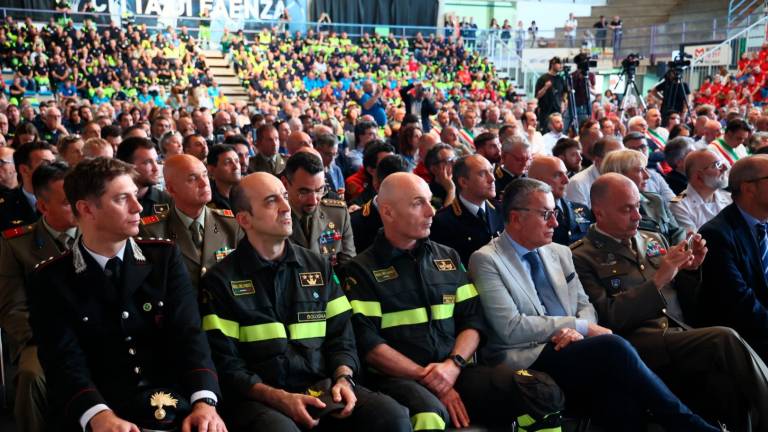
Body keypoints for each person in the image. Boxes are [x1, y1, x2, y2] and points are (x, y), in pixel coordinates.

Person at [469, 178, 723, 431]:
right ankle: (691, 426)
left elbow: (585, 305)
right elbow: (511, 328)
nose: (555, 222)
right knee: (613, 348)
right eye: (546, 214)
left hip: (571, 346)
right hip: (525, 355)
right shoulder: (487, 260)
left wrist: (577, 329)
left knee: (617, 385)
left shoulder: (559, 251)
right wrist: (581, 326)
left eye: (555, 213)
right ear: (516, 218)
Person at [343, 172, 562, 431]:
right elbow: (369, 345)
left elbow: (473, 319)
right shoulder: (361, 270)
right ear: (388, 212)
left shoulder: (447, 257)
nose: (431, 212)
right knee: (429, 414)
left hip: (455, 369)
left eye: (430, 201)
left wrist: (452, 366)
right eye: (418, 203)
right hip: (399, 378)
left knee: (538, 392)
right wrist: (431, 378)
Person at [198, 172, 411, 432]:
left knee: (392, 417)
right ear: (244, 219)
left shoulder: (317, 265)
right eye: (271, 201)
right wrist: (280, 398)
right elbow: (227, 365)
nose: (287, 207)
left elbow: (343, 335)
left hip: (322, 387)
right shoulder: (220, 281)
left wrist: (344, 378)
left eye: (285, 197)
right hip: (260, 398)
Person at [27, 157, 226, 432]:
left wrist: (204, 401)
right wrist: (97, 415)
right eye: (122, 199)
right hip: (101, 408)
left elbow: (188, 335)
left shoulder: (163, 257)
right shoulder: (51, 278)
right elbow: (64, 361)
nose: (138, 207)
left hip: (174, 403)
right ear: (86, 209)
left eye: (135, 195)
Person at [572, 173, 768, 432]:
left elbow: (685, 300)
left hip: (680, 333)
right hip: (640, 342)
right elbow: (609, 317)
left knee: (727, 378)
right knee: (724, 338)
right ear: (600, 212)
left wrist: (689, 270)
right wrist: (658, 280)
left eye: (637, 206)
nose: (637, 216)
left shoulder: (653, 239)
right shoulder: (581, 256)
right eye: (626, 209)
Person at [0, 162, 76, 432]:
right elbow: (13, 309)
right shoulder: (17, 244)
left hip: (94, 329)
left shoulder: (96, 233)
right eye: (68, 202)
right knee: (32, 377)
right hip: (43, 336)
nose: (79, 207)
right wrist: (51, 339)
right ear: (43, 207)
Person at [699, 155, 768, 362]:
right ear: (749, 188)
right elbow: (741, 303)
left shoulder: (762, 222)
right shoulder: (717, 234)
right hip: (744, 336)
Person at [139, 154, 242, 289]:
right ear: (171, 189)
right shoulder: (151, 230)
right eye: (193, 179)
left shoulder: (231, 224)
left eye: (205, 175)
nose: (204, 183)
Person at [283, 152, 355, 267]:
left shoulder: (337, 214)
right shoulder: (273, 218)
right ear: (285, 184)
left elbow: (348, 266)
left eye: (319, 190)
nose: (314, 201)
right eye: (304, 192)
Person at [430, 155, 503, 267]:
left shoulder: (501, 209)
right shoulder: (443, 222)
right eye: (482, 174)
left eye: (491, 171)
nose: (492, 178)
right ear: (464, 182)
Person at [601, 149, 686, 245]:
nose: (647, 175)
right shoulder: (610, 209)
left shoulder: (655, 199)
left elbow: (677, 232)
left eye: (646, 169)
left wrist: (677, 251)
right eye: (640, 170)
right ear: (620, 175)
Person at [528, 156, 593, 246]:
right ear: (537, 180)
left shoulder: (581, 209)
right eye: (558, 175)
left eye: (566, 174)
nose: (566, 180)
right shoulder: (528, 216)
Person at [351, 155, 410, 254]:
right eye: (397, 188)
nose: (404, 194)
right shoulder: (354, 222)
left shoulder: (416, 217)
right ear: (377, 185)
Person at [669, 149, 731, 232]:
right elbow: (695, 243)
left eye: (721, 163)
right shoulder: (678, 205)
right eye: (717, 165)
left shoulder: (729, 197)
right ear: (699, 177)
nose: (724, 168)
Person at [0, 141, 56, 231]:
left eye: (53, 162)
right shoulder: (4, 206)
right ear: (24, 169)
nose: (53, 168)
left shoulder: (68, 199)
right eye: (45, 164)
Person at [115, 137, 173, 218]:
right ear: (126, 166)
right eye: (147, 162)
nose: (156, 168)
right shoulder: (113, 201)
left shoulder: (165, 199)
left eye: (156, 161)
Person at [564, 137, 623, 206]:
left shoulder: (624, 176)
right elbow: (580, 215)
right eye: (614, 157)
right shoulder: (577, 184)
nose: (621, 161)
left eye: (622, 156)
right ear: (598, 160)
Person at [494, 135, 532, 199]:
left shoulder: (531, 178)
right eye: (519, 159)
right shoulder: (494, 182)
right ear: (503, 156)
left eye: (528, 159)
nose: (525, 164)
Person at [207, 144, 242, 211]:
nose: (236, 167)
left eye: (237, 161)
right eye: (228, 162)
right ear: (211, 169)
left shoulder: (249, 193)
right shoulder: (207, 199)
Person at [534, 57, 565, 133]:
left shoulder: (560, 79)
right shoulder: (543, 78)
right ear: (553, 64)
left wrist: (563, 103)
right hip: (545, 111)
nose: (560, 66)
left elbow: (564, 92)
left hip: (557, 110)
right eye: (559, 64)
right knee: (545, 131)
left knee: (558, 132)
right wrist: (545, 87)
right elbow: (537, 95)